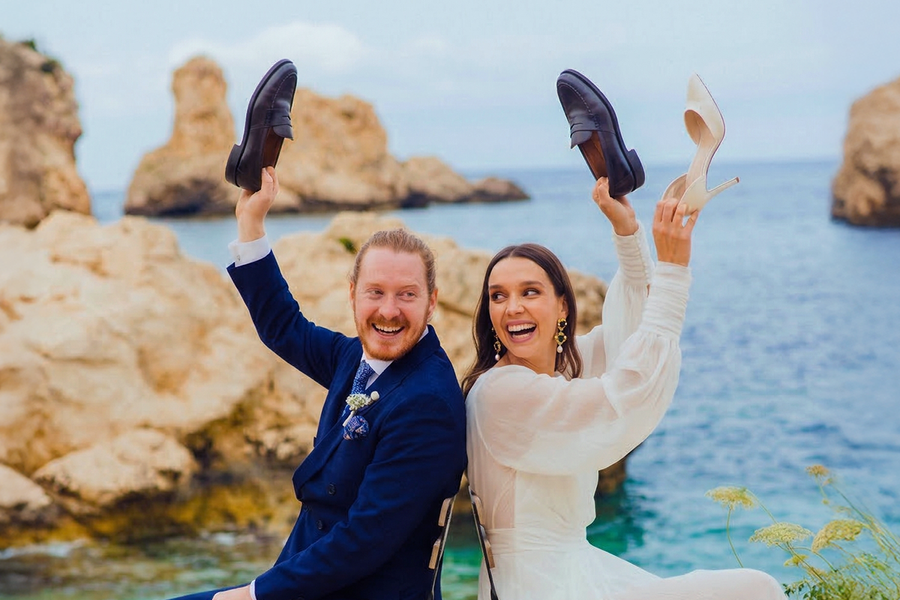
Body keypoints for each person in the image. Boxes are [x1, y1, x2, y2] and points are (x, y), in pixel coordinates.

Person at [462, 178, 787, 599]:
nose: (513, 307)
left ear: (563, 306)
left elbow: (626, 338)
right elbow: (623, 398)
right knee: (756, 591)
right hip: (537, 585)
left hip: (576, 570)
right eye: (498, 296)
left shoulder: (561, 372)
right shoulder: (499, 393)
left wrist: (628, 232)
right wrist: (673, 271)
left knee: (753, 589)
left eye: (530, 292)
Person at [172, 167, 467, 600]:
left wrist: (252, 594)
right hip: (308, 578)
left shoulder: (428, 403)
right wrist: (251, 224)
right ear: (352, 295)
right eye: (375, 292)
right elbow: (284, 328)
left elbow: (362, 542)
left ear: (432, 301)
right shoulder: (356, 358)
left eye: (407, 294)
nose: (389, 310)